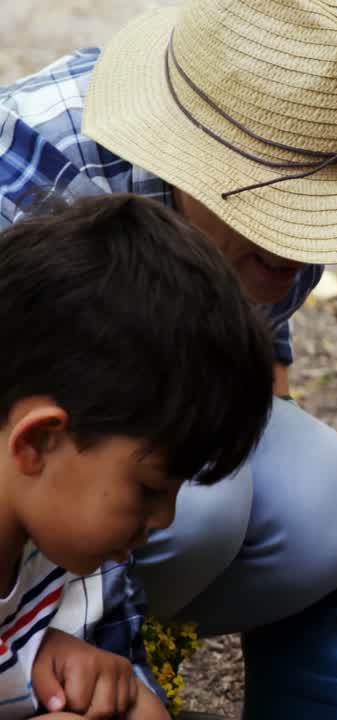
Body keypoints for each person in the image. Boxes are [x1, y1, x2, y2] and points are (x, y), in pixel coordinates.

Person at [0, 0, 337, 645]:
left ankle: (123, 636)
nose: (295, 256)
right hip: (40, 458)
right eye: (274, 206)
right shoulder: (33, 174)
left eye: (319, 210)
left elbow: (260, 360)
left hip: (103, 454)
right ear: (190, 160)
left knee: (321, 507)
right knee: (203, 505)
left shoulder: (305, 158)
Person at [0, 193, 275, 718]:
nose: (165, 519)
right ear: (37, 442)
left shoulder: (58, 551)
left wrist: (99, 673)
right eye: (150, 488)